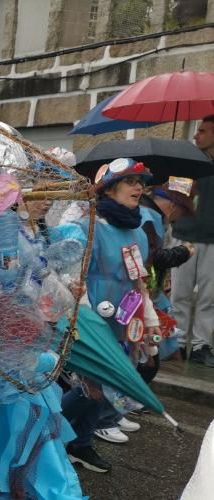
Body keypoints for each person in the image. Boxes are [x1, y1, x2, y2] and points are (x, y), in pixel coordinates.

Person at [62, 158, 158, 473]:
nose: (139, 187)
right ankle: (48, 433)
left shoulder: (138, 234)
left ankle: (80, 443)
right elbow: (72, 278)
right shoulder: (87, 227)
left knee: (107, 390)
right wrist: (87, 321)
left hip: (123, 324)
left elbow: (138, 279)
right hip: (90, 323)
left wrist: (148, 319)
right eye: (131, 181)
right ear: (109, 187)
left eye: (141, 182)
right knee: (93, 387)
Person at [139, 179, 196, 376]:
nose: (176, 221)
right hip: (141, 293)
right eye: (179, 215)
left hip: (151, 293)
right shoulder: (148, 216)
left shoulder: (149, 213)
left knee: (161, 350)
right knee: (149, 360)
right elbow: (151, 257)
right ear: (173, 206)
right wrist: (182, 253)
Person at [170, 115, 214, 367]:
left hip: (212, 239)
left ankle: (200, 345)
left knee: (210, 297)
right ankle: (177, 341)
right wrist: (188, 183)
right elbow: (170, 189)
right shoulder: (186, 161)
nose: (197, 135)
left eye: (204, 131)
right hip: (184, 236)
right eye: (197, 130)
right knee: (180, 294)